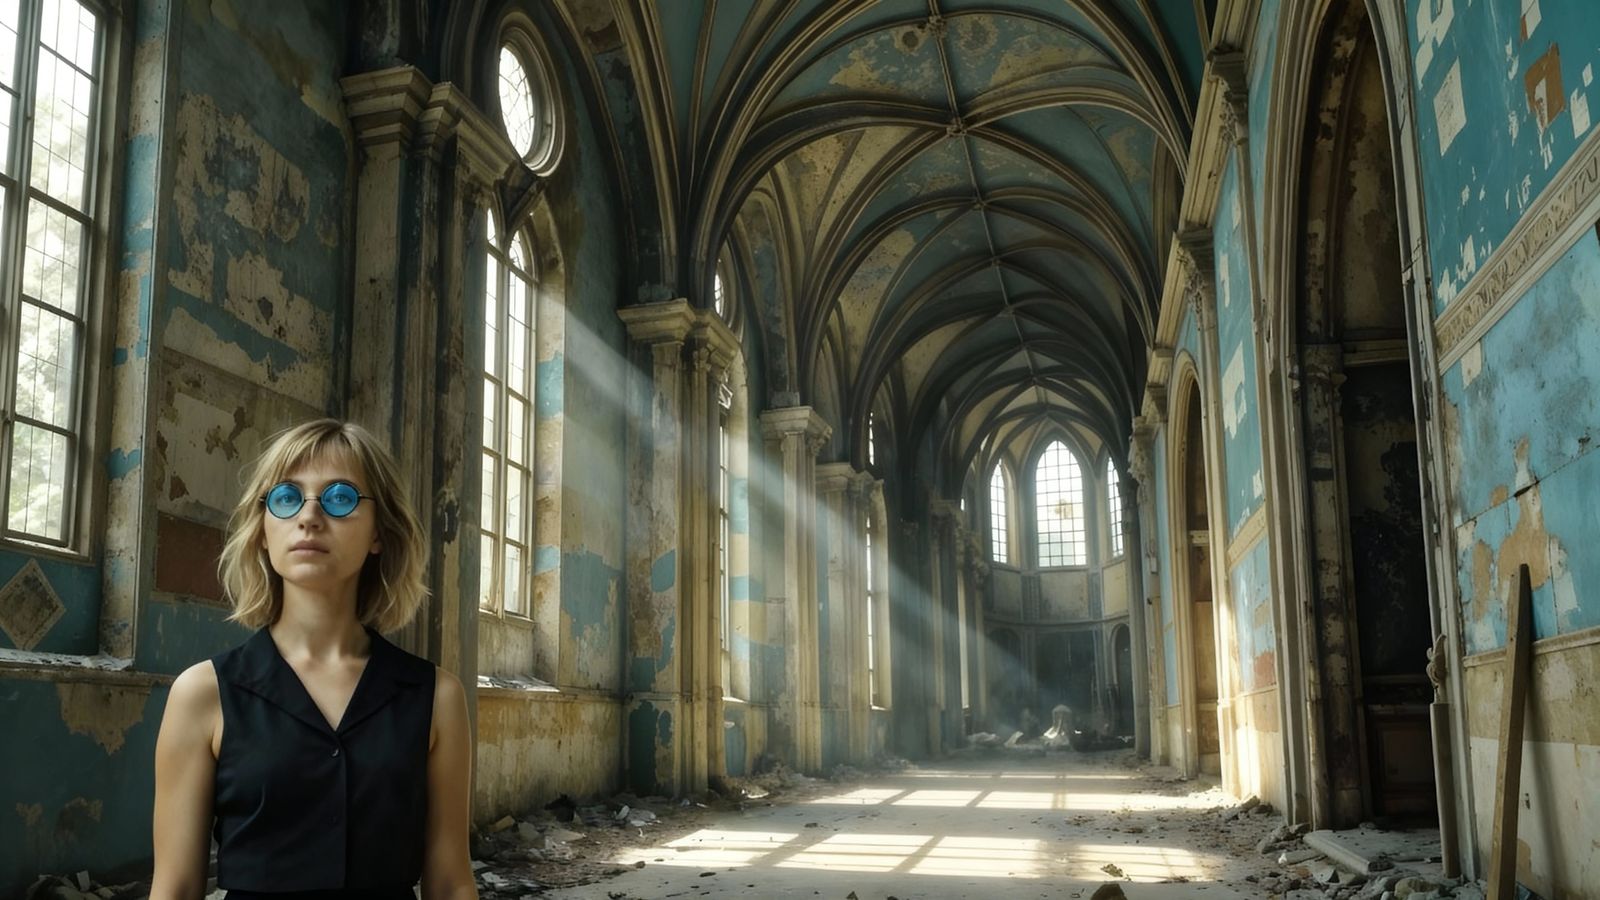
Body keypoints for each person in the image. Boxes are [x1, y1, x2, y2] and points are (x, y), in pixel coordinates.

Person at [150, 420, 477, 900]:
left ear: (378, 534)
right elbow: (175, 887)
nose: (309, 517)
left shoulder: (436, 697)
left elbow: (451, 884)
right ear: (263, 531)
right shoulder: (204, 693)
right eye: (286, 497)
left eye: (340, 497)